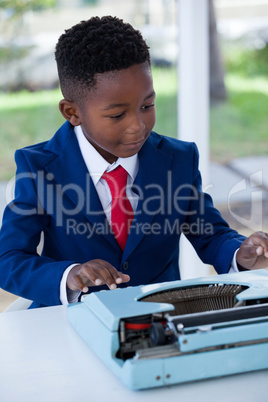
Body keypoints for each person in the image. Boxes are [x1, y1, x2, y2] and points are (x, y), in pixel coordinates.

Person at [0, 16, 267, 309]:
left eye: (147, 106)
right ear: (72, 112)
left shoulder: (178, 160)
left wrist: (238, 253)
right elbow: (9, 259)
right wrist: (69, 275)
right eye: (117, 115)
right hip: (69, 322)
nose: (138, 125)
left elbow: (210, 234)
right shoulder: (40, 168)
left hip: (159, 318)